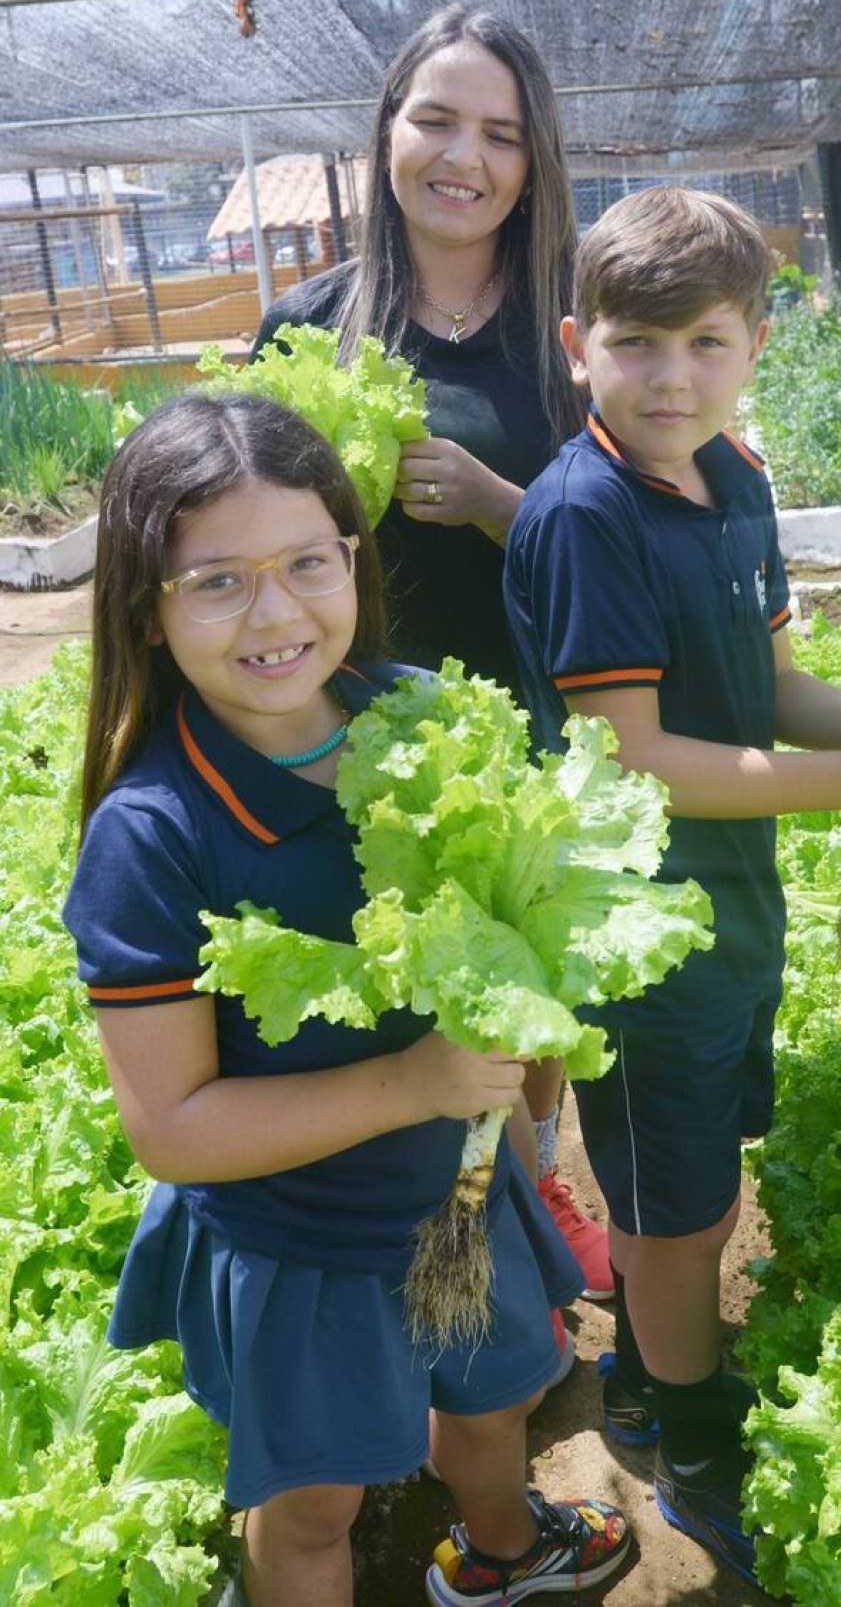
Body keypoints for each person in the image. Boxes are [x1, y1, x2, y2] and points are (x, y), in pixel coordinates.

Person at [62, 393, 632, 1607]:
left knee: (496, 1406)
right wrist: (411, 1081)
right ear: (146, 613)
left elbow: (522, 926)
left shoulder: (419, 716)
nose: (275, 613)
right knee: (314, 1506)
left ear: (353, 559)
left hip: (468, 1193)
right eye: (216, 581)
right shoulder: (154, 835)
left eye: (307, 562)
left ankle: (501, 1552)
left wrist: (531, 1063)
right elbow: (172, 1127)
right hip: (303, 1248)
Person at [503, 186, 841, 1584]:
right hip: (642, 934)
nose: (673, 376)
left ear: (755, 344)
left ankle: (652, 1380)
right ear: (578, 340)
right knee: (671, 1207)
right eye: (639, 343)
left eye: (706, 342)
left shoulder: (740, 481)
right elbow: (633, 755)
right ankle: (693, 1444)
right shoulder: (585, 515)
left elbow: (775, 681)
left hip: (731, 909)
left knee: (697, 1185)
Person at [251, 2, 610, 1300]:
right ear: (387, 133)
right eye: (437, 119)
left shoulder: (573, 336)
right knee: (408, 1015)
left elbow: (637, 545)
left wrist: (502, 500)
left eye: (501, 134)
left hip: (540, 726)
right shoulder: (311, 323)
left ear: (534, 162)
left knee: (531, 1005)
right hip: (354, 739)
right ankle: (454, 1251)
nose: (465, 156)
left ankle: (525, 1194)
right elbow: (244, 546)